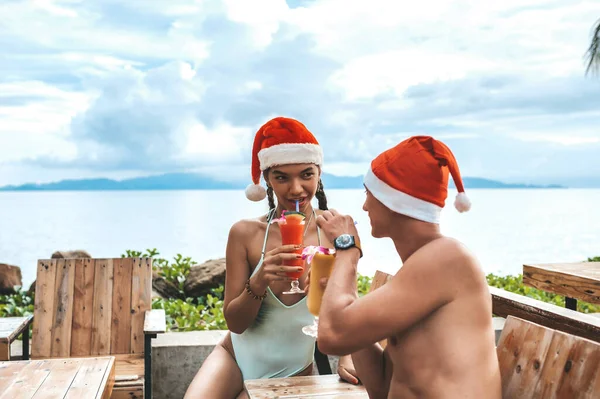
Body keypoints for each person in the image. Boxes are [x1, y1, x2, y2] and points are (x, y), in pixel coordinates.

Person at [313, 136, 502, 398]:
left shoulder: (447, 259)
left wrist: (347, 248)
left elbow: (331, 336)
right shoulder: (422, 265)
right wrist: (352, 315)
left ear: (394, 201)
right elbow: (381, 385)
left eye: (369, 194)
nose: (364, 206)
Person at [184, 117, 358, 399]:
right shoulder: (246, 234)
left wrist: (348, 357)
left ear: (319, 173)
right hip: (234, 359)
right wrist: (261, 278)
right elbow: (236, 324)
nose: (296, 189)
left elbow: (350, 304)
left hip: (292, 370)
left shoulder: (336, 232)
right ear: (266, 179)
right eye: (281, 177)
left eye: (306, 174)